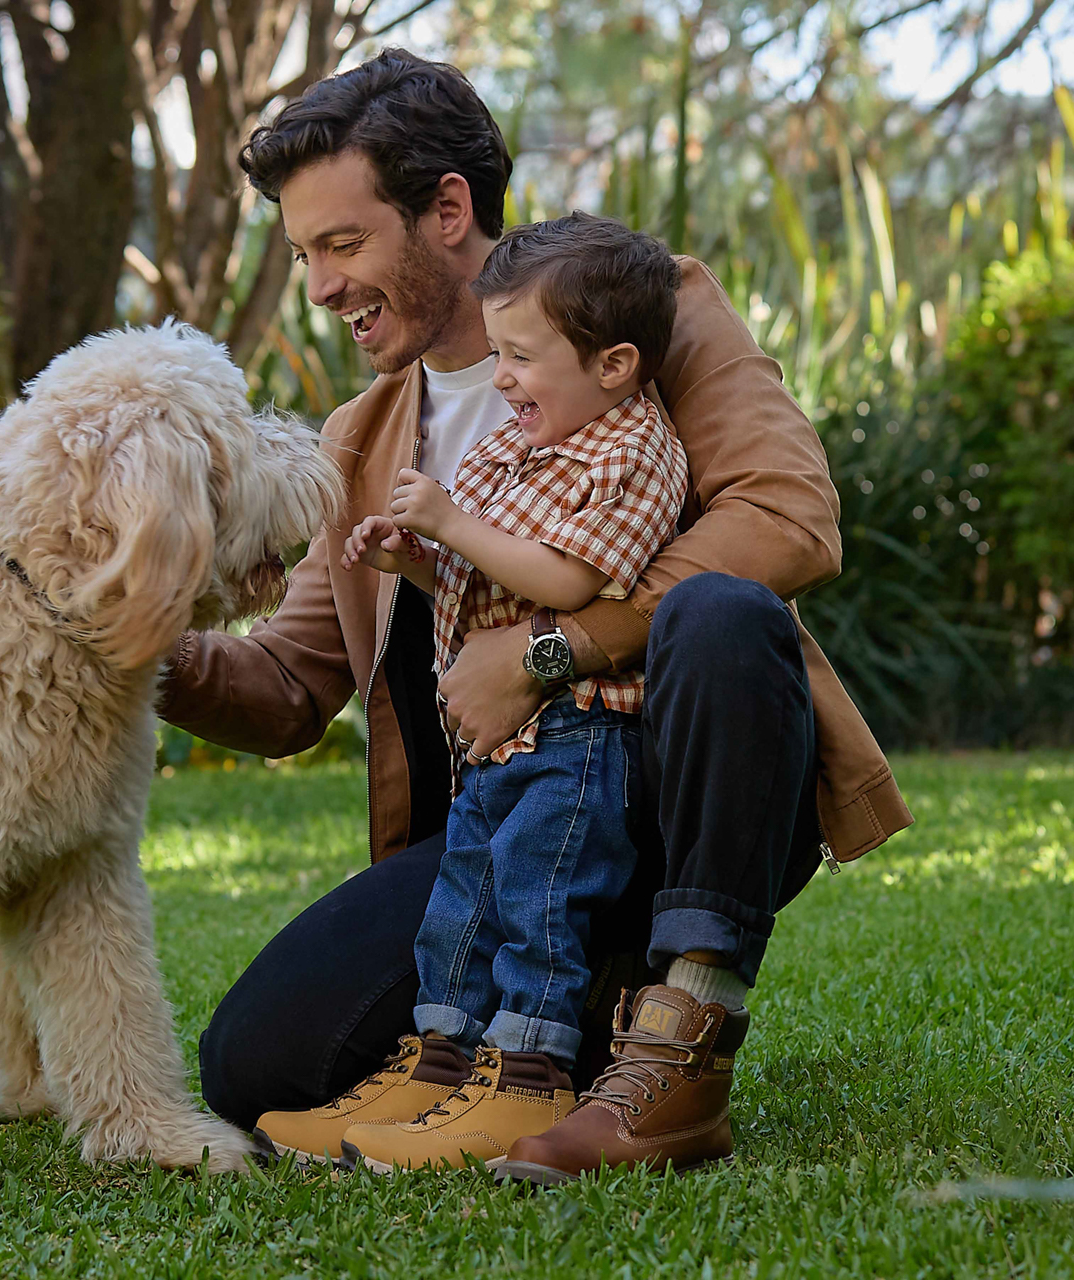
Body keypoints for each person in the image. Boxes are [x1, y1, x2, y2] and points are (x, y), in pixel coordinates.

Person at [158, 47, 913, 1182]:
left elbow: (788, 517)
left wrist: (551, 650)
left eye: (342, 243)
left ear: (447, 210)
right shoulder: (363, 439)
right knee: (255, 1065)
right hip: (498, 824)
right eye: (304, 252)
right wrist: (118, 635)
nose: (317, 286)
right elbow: (286, 685)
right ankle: (556, 1010)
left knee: (718, 610)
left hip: (672, 783)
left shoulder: (641, 310)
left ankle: (683, 1033)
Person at [292, 212, 688, 1172]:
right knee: (461, 905)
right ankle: (439, 1068)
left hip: (576, 738)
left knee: (537, 905)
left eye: (519, 355)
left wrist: (451, 522)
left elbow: (565, 583)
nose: (500, 376)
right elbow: (487, 590)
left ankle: (527, 1078)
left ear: (615, 365)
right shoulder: (523, 448)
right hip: (496, 747)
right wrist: (418, 559)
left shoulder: (629, 452)